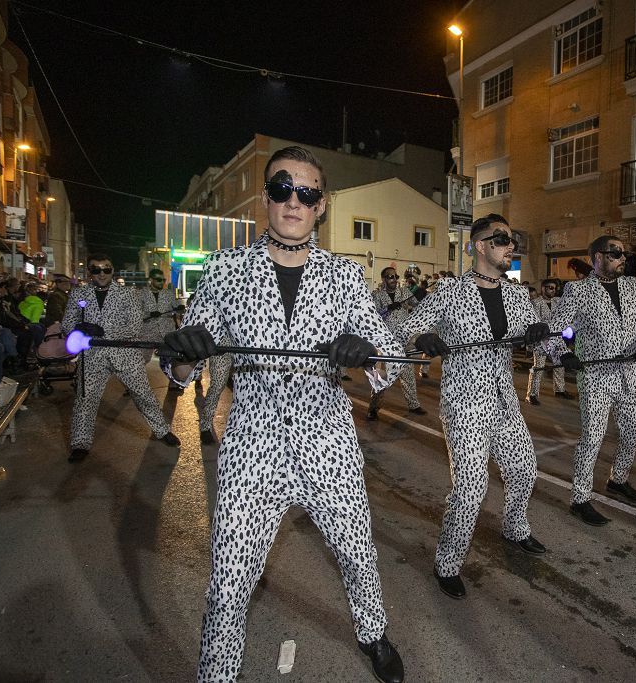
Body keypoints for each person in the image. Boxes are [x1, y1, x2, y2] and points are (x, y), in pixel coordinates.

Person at [161, 146, 404, 683]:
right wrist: (182, 354)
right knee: (228, 578)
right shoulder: (225, 269)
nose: (294, 200)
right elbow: (182, 373)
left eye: (308, 192)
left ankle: (373, 633)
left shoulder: (344, 275)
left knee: (357, 552)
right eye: (282, 188)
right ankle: (217, 673)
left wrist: (362, 347)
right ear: (266, 198)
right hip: (252, 442)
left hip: (329, 439)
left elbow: (389, 358)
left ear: (321, 206)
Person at [395, 213, 550, 600]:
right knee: (471, 488)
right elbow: (405, 330)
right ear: (480, 245)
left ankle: (515, 528)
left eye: (511, 239)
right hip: (464, 403)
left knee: (525, 469)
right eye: (501, 239)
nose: (509, 245)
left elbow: (542, 341)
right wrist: (425, 337)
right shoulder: (450, 291)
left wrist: (542, 338)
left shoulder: (516, 294)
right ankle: (447, 562)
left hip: (504, 401)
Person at [546, 236, 636, 525]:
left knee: (633, 433)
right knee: (592, 439)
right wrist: (563, 354)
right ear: (597, 257)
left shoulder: (633, 286)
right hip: (596, 377)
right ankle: (580, 498)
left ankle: (618, 479)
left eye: (623, 253)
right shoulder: (576, 290)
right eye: (615, 253)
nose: (622, 258)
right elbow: (553, 330)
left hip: (631, 374)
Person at [62, 253, 180, 463]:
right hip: (92, 356)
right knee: (84, 399)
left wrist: (100, 330)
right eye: (96, 269)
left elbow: (134, 326)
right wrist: (77, 330)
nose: (101, 274)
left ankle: (162, 430)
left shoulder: (127, 294)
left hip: (125, 355)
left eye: (106, 269)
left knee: (144, 395)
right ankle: (80, 443)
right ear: (89, 272)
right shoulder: (79, 294)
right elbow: (67, 324)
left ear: (112, 271)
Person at [367, 266, 425, 419]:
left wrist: (421, 295)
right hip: (385, 343)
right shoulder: (377, 296)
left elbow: (418, 306)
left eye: (395, 276)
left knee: (408, 374)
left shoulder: (404, 293)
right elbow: (371, 315)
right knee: (380, 377)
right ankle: (373, 409)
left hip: (404, 340)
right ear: (384, 279)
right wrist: (387, 308)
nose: (394, 279)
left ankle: (414, 405)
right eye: (390, 277)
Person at [526, 278, 570, 404]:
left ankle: (560, 390)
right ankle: (532, 394)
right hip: (542, 341)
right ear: (543, 288)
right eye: (550, 288)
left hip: (557, 338)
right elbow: (533, 322)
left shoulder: (557, 301)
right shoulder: (536, 303)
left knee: (559, 364)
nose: (553, 290)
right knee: (539, 367)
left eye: (554, 288)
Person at [138, 268, 182, 375]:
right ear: (150, 280)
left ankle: (174, 382)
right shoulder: (141, 294)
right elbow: (135, 314)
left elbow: (177, 310)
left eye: (163, 280)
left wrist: (180, 308)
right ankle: (132, 385)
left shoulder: (168, 294)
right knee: (141, 360)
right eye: (158, 279)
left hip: (166, 332)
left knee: (170, 359)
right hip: (147, 333)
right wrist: (148, 314)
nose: (161, 282)